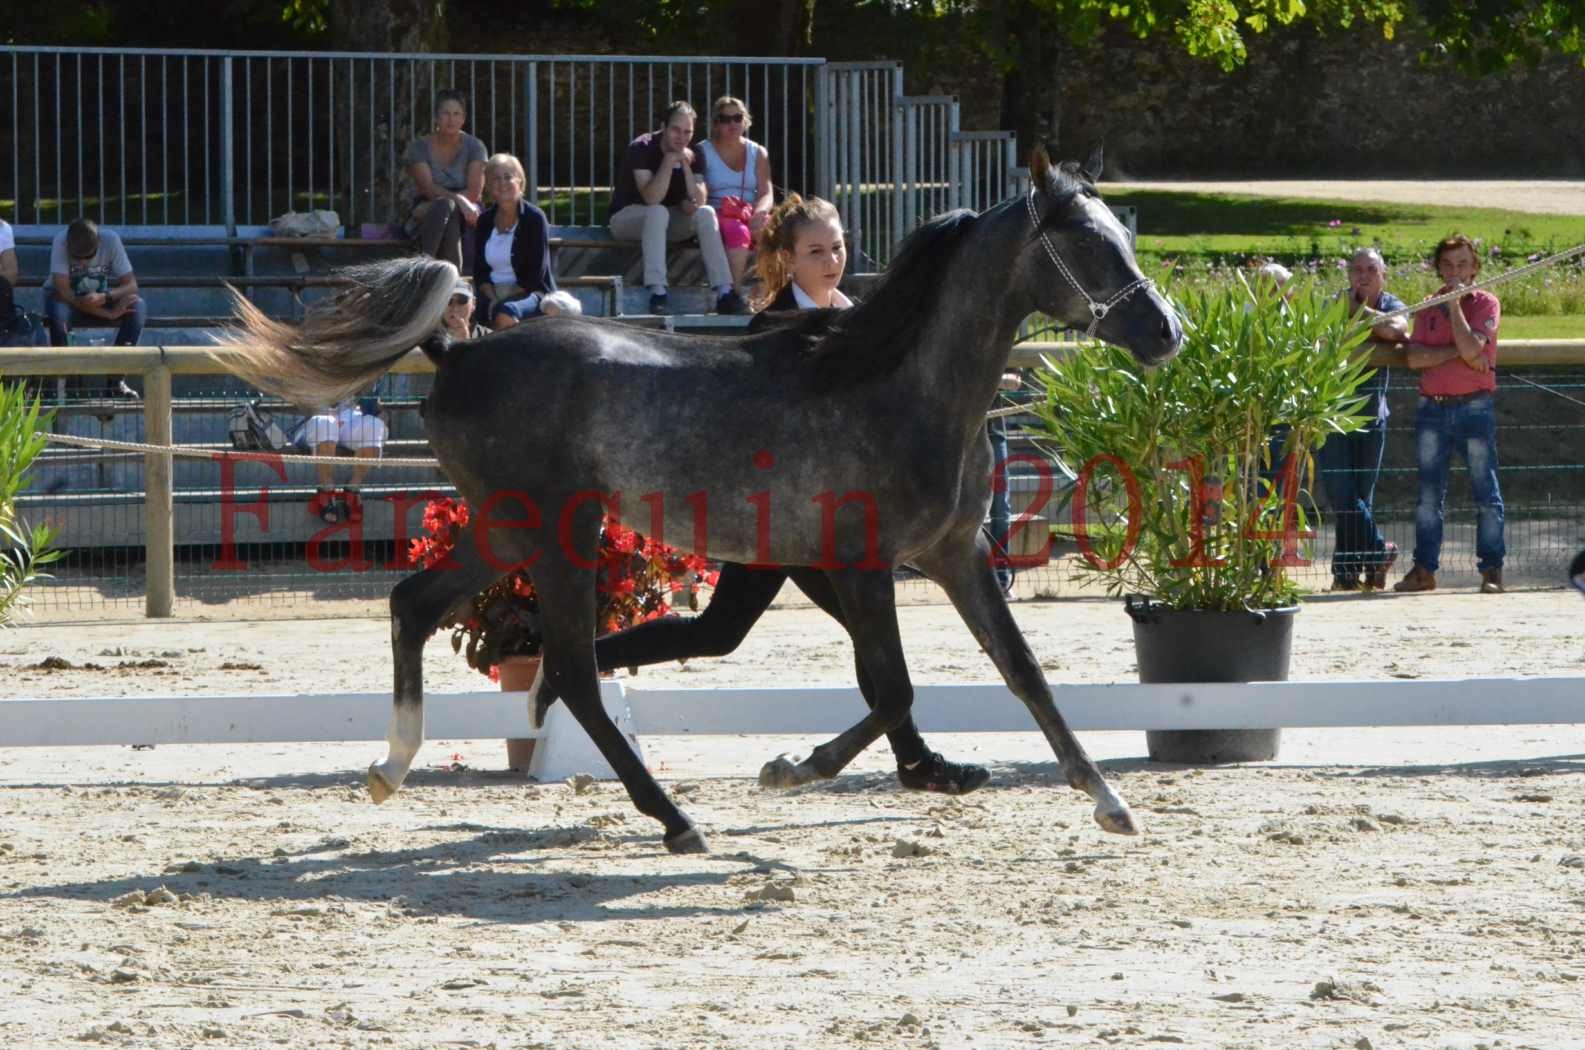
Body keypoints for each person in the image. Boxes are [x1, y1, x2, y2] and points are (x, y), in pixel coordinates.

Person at [593, 193, 992, 796]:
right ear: (787, 259)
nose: (831, 260)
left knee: (725, 632)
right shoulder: (772, 326)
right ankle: (577, 659)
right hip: (775, 519)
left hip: (826, 520)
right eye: (815, 251)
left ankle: (914, 761)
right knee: (744, 632)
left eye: (836, 247)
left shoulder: (862, 317)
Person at [1394, 234, 1505, 594]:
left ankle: (1492, 571)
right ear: (1439, 268)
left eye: (1462, 264)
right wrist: (1458, 352)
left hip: (1474, 406)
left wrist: (1455, 306)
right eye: (1448, 265)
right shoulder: (1427, 306)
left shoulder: (1487, 303)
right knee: (1428, 497)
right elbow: (1414, 359)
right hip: (1432, 409)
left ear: (1474, 268)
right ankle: (1424, 570)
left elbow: (1474, 351)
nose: (1455, 271)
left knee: (1485, 492)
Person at [1323, 248, 1409, 591]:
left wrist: (1358, 312)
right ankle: (1379, 552)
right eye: (1356, 269)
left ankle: (1347, 575)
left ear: (1383, 275)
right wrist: (1370, 322)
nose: (1363, 276)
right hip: (1332, 415)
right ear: (1347, 274)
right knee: (1343, 494)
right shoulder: (1332, 303)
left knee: (1360, 496)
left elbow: (1395, 331)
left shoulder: (1394, 304)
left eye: (1371, 270)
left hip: (1373, 416)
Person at [607, 101, 743, 317]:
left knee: (706, 213)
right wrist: (669, 161)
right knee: (657, 211)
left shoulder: (696, 151)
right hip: (627, 218)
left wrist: (687, 168)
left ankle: (724, 293)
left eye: (687, 131)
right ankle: (658, 292)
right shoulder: (641, 147)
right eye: (675, 130)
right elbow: (652, 197)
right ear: (663, 126)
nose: (681, 137)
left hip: (665, 221)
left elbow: (699, 199)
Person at [472, 153, 580, 328]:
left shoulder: (534, 218)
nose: (502, 183)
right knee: (462, 309)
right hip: (491, 292)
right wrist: (491, 298)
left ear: (520, 182)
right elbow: (480, 270)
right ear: (489, 187)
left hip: (529, 292)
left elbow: (535, 274)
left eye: (508, 177)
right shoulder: (484, 220)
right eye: (495, 179)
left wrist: (503, 300)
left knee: (505, 313)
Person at [44, 218, 145, 399]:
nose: (83, 263)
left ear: (99, 242)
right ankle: (67, 383)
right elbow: (63, 291)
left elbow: (131, 285)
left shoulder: (111, 240)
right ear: (68, 244)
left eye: (88, 256)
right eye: (77, 257)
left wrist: (107, 297)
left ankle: (116, 381)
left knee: (137, 306)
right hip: (69, 300)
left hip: (100, 296)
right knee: (58, 312)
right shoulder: (60, 240)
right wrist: (108, 313)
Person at [403, 89, 487, 274]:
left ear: (464, 118)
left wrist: (461, 202)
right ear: (436, 117)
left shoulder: (475, 146)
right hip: (430, 205)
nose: (451, 119)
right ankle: (454, 277)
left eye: (456, 114)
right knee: (445, 206)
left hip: (470, 210)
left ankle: (424, 265)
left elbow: (474, 192)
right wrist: (459, 201)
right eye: (446, 113)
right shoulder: (419, 147)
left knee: (447, 208)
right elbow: (428, 189)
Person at [696, 96, 774, 292]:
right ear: (716, 123)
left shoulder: (758, 152)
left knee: (773, 231)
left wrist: (761, 211)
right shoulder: (702, 151)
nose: (732, 124)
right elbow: (699, 189)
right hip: (719, 209)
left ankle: (771, 292)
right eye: (725, 119)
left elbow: (766, 191)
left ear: (745, 120)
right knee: (738, 231)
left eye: (737, 118)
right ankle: (736, 291)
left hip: (749, 209)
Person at [298, 398, 385, 526]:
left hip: (350, 419)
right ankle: (326, 488)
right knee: (326, 423)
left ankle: (353, 487)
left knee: (375, 424)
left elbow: (376, 407)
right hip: (314, 418)